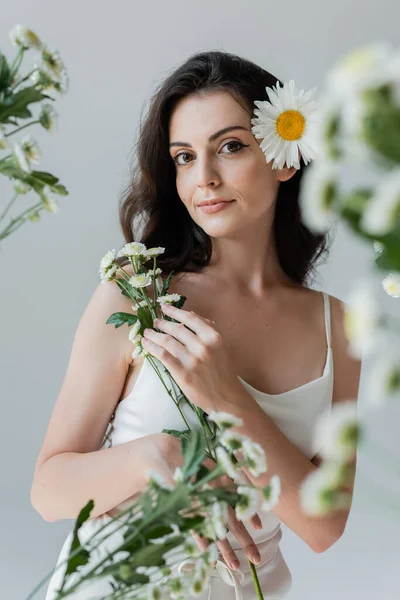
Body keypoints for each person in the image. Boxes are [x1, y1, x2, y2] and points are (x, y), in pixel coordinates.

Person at [31, 50, 362, 599]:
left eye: (230, 147)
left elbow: (323, 526)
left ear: (285, 157)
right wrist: (157, 457)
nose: (203, 178)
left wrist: (227, 397)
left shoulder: (339, 329)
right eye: (184, 157)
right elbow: (48, 490)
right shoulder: (139, 292)